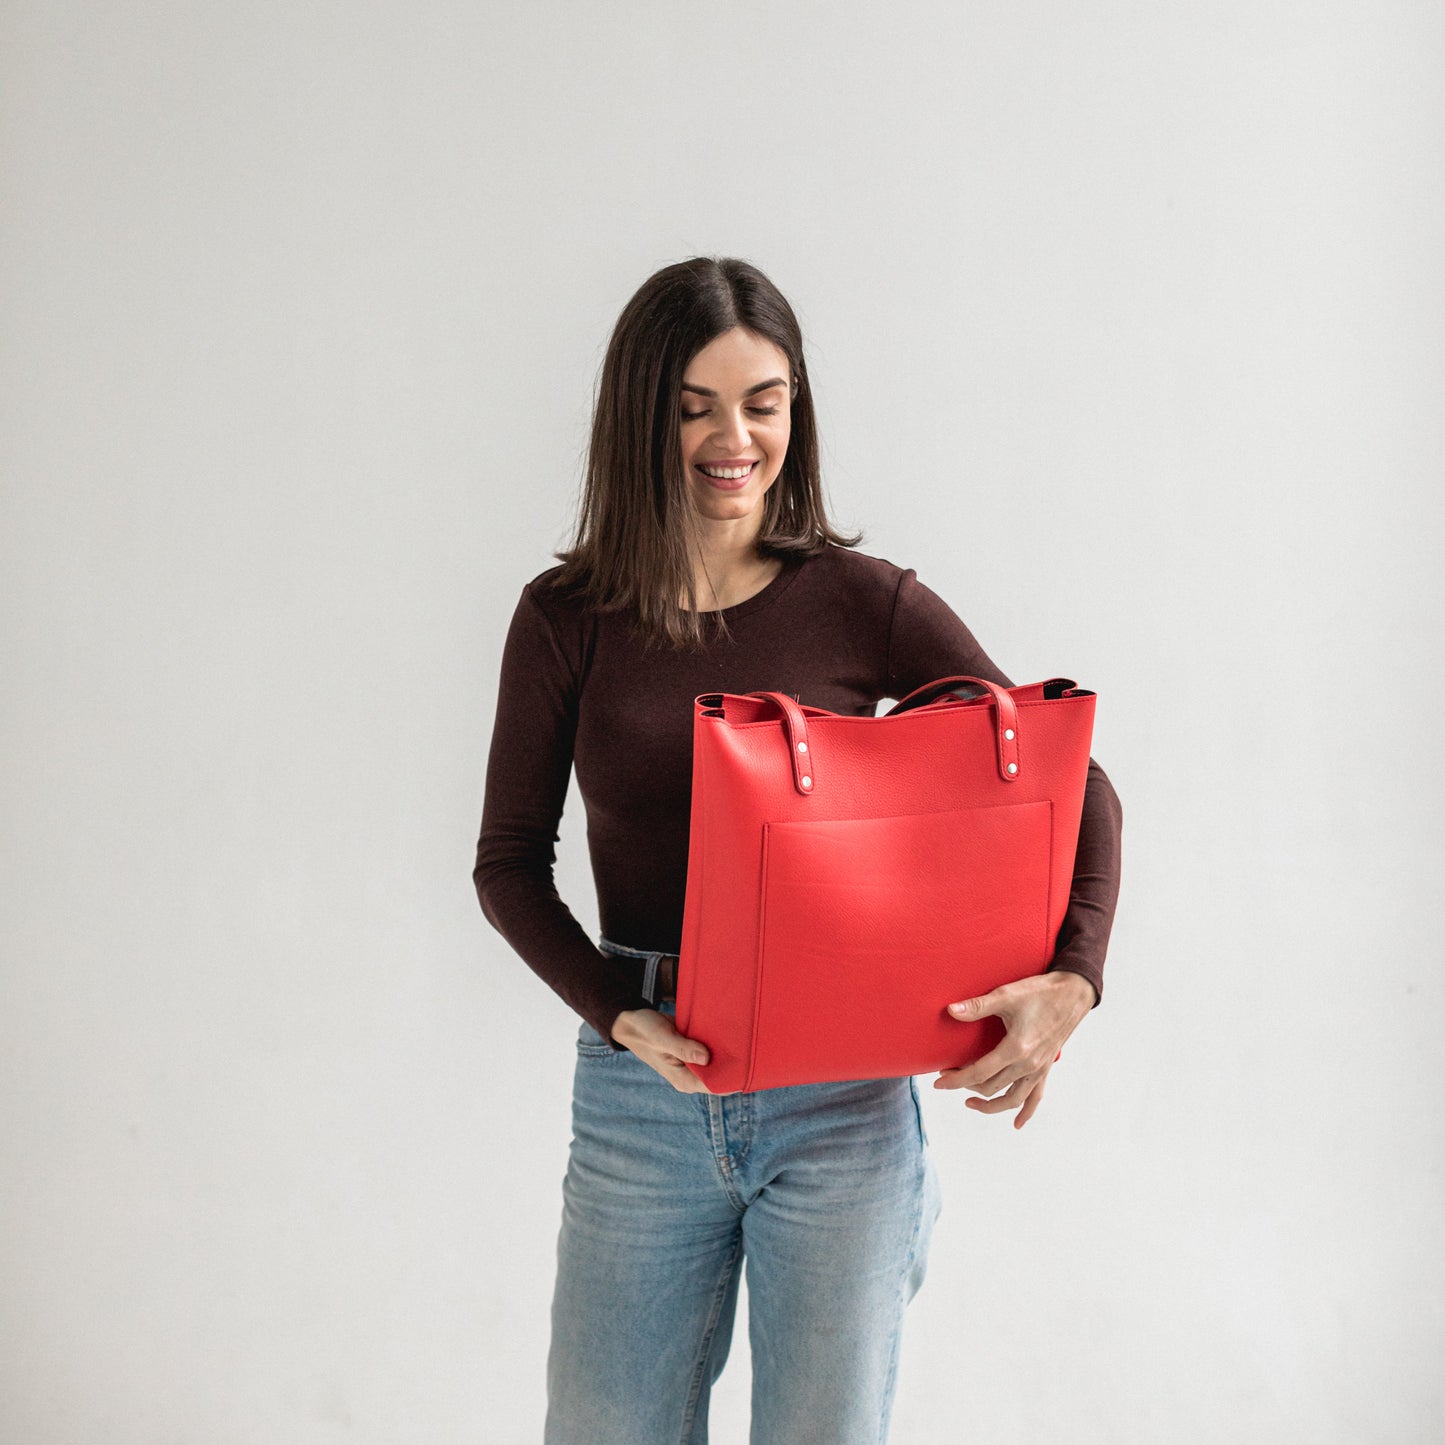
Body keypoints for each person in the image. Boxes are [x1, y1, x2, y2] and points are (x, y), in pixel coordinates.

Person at [473, 256, 1123, 1444]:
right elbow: (507, 862)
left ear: (794, 410)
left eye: (762, 401)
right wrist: (620, 1013)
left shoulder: (859, 601)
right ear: (638, 416)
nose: (734, 437)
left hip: (843, 1105)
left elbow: (1076, 792)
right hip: (641, 1094)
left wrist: (1069, 980)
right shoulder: (566, 617)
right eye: (693, 404)